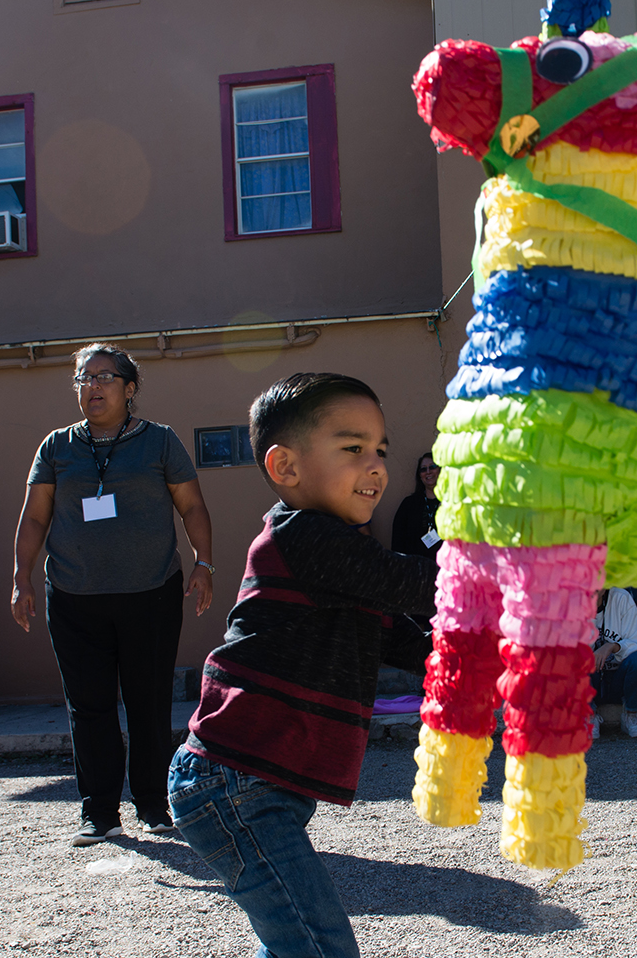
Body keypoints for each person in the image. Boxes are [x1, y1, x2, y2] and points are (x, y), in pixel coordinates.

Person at [170, 373, 437, 958]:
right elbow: (414, 583)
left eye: (381, 450)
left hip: (249, 783)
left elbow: (406, 638)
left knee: (296, 943)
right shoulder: (305, 537)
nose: (376, 466)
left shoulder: (338, 558)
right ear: (285, 467)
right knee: (321, 947)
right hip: (236, 781)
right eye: (353, 447)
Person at [11, 344, 214, 844]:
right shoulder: (56, 447)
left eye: (104, 377)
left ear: (129, 388)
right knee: (89, 706)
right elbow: (34, 516)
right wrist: (21, 578)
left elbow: (191, 505)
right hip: (74, 596)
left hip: (151, 593)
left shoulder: (160, 441)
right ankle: (99, 813)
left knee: (148, 702)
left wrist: (203, 563)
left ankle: (154, 806)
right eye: (84, 378)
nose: (92, 386)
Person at [591, 587, 637, 739]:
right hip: (589, 681)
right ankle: (588, 716)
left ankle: (631, 715)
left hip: (619, 679)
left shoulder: (621, 597)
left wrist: (613, 646)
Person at [390, 453, 443, 560]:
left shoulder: (452, 503)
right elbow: (397, 542)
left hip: (445, 566)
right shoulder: (409, 504)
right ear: (420, 476)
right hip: (415, 566)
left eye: (432, 467)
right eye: (423, 469)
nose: (428, 471)